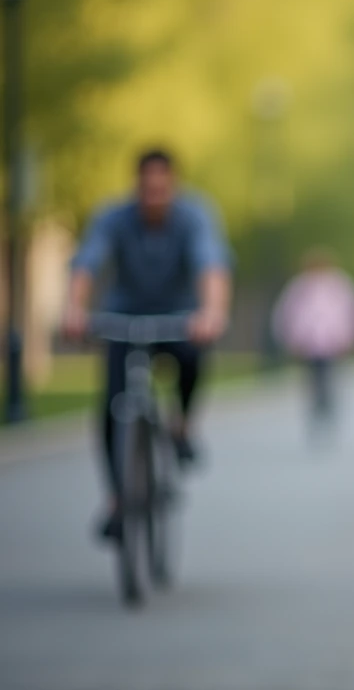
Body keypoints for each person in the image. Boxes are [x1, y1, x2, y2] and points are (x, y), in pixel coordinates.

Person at [63, 148, 231, 539]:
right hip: (124, 317)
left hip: (177, 317)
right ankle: (118, 499)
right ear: (136, 186)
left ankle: (182, 426)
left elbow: (212, 265)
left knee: (192, 356)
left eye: (162, 188)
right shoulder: (113, 217)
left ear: (173, 184)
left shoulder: (194, 216)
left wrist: (212, 311)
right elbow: (87, 263)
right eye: (147, 188)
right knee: (111, 405)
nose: (154, 196)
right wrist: (74, 308)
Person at [271, 247, 354, 425]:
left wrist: (353, 334)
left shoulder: (339, 284)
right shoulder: (300, 286)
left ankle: (327, 404)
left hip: (333, 339)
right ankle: (318, 403)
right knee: (313, 375)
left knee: (329, 373)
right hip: (308, 340)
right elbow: (287, 312)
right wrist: (290, 337)